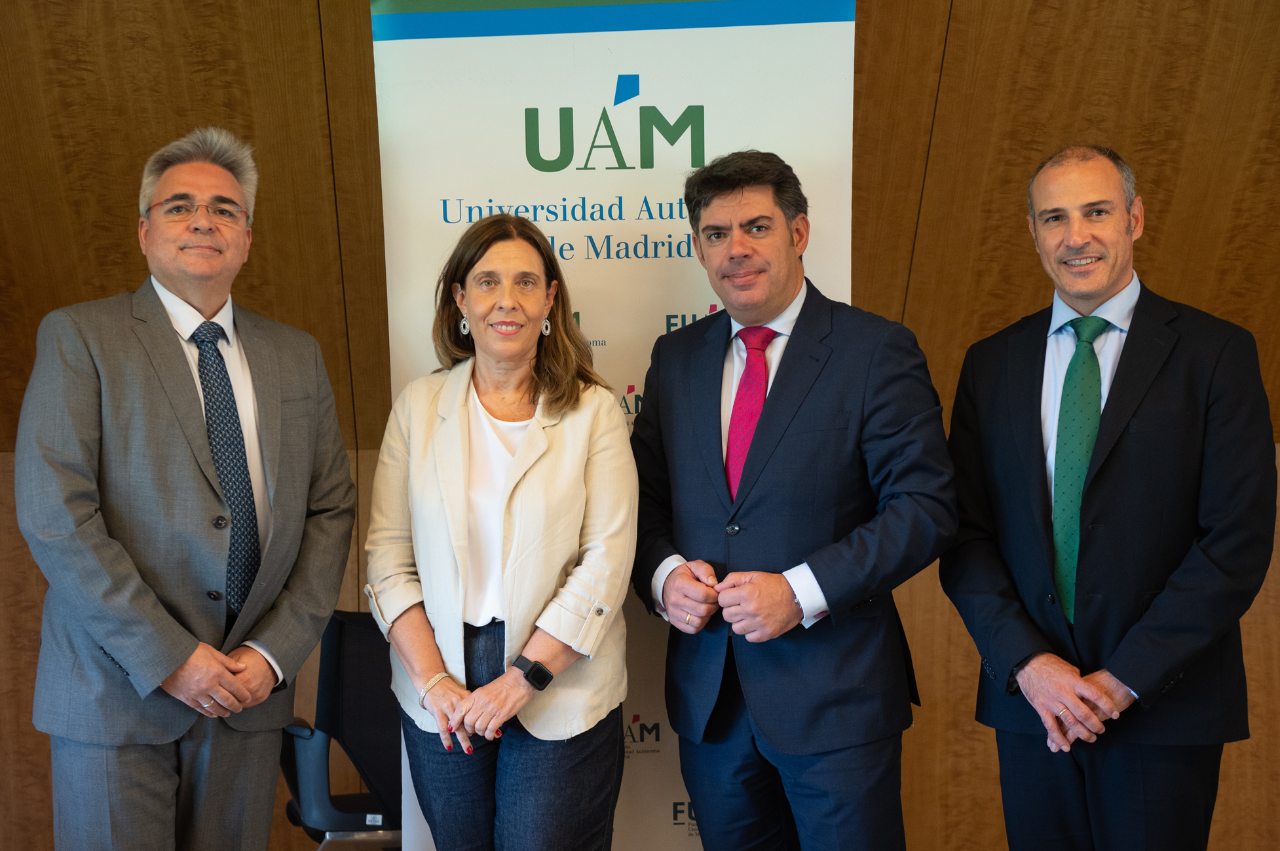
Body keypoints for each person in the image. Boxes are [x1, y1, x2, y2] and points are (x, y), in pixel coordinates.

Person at [14, 127, 356, 850]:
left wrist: (272, 655)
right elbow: (55, 514)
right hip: (116, 693)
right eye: (180, 206)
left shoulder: (297, 357)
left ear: (247, 239)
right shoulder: (80, 338)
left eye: (225, 209)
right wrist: (169, 655)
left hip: (247, 696)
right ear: (144, 231)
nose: (204, 219)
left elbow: (330, 511)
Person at [940, 145, 1275, 850]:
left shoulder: (1217, 354)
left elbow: (1234, 544)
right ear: (1033, 232)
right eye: (1054, 217)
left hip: (1164, 705)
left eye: (1096, 211)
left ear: (1135, 218)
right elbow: (965, 536)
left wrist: (1123, 679)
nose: (1076, 236)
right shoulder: (991, 363)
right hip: (1034, 707)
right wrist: (1030, 666)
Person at [630, 150, 956, 849]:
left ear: (799, 233)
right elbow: (643, 502)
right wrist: (662, 578)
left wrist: (801, 591)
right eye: (716, 234)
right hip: (710, 703)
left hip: (837, 700)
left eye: (756, 226)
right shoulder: (675, 358)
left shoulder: (875, 351)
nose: (735, 250)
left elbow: (925, 507)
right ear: (697, 247)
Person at [365, 213, 637, 850]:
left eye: (524, 282)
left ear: (550, 300)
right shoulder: (417, 406)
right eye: (486, 282)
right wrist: (435, 682)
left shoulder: (594, 411)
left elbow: (607, 560)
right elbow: (387, 558)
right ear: (461, 300)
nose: (505, 301)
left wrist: (522, 680)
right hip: (439, 679)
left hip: (557, 676)